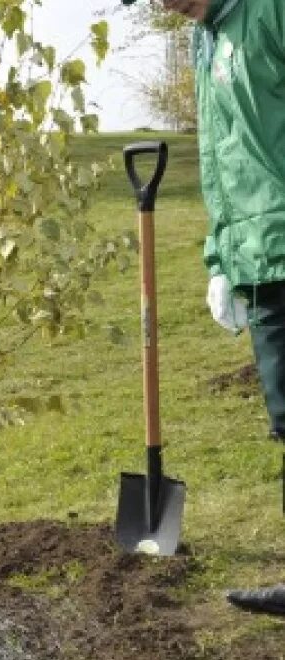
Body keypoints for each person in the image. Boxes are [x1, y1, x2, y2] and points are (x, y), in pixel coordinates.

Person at [142, 0, 285, 617]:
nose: (159, 3)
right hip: (259, 262)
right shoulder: (207, 39)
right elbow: (224, 161)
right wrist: (220, 258)